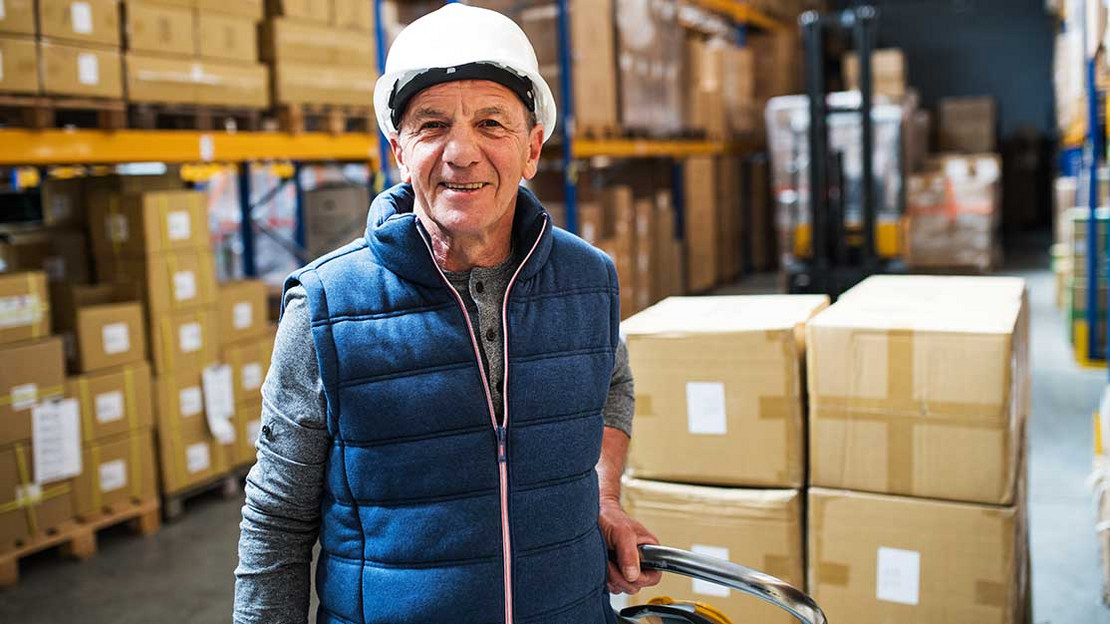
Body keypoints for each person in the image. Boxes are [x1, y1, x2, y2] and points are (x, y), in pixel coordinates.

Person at [233, 5, 661, 623]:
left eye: (491, 123)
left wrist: (604, 497)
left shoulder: (587, 280)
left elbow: (611, 387)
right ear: (399, 151)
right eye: (432, 125)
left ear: (532, 148)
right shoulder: (328, 305)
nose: (462, 152)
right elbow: (277, 520)